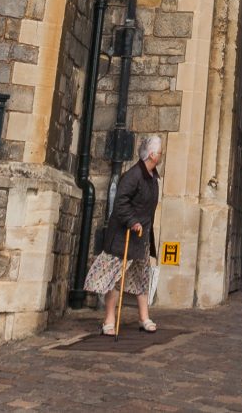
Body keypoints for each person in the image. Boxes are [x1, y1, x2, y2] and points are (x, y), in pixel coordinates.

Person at [86, 135, 164, 336]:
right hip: (124, 235)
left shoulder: (153, 177)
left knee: (141, 277)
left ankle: (144, 317)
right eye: (160, 152)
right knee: (114, 277)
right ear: (152, 155)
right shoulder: (133, 176)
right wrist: (133, 222)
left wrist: (143, 228)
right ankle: (109, 320)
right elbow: (121, 202)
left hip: (142, 236)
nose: (161, 156)